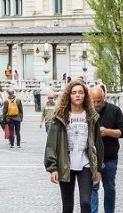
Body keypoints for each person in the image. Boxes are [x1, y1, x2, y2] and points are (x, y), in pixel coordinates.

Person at [45, 80, 104, 213]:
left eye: (80, 92)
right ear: (69, 95)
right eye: (74, 92)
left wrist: (98, 169)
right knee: (67, 206)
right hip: (66, 165)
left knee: (86, 203)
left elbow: (98, 143)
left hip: (86, 165)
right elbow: (51, 144)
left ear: (85, 95)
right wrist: (52, 168)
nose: (77, 95)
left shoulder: (91, 116)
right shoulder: (59, 117)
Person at [90, 85, 123, 213]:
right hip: (92, 159)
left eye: (99, 101)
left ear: (104, 97)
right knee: (92, 188)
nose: (96, 104)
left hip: (110, 157)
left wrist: (108, 132)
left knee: (109, 188)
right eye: (93, 101)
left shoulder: (115, 110)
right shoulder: (86, 111)